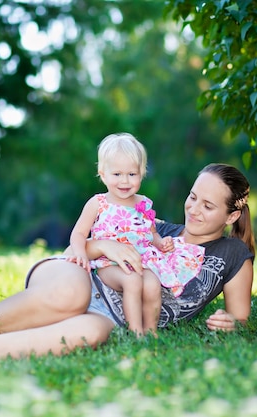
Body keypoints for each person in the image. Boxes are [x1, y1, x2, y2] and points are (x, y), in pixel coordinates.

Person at [0, 162, 255, 359]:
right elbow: (77, 248)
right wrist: (103, 245)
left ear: (232, 214)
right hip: (77, 276)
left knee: (90, 333)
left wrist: (231, 323)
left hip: (112, 317)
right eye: (193, 197)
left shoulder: (233, 255)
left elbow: (240, 317)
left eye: (208, 206)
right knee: (72, 295)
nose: (194, 210)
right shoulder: (153, 228)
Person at [68, 133, 205, 336]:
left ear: (141, 174)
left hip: (142, 261)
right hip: (109, 263)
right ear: (103, 174)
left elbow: (150, 233)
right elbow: (79, 233)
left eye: (132, 174)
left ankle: (151, 331)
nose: (125, 181)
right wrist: (80, 252)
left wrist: (160, 243)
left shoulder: (143, 203)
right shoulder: (98, 203)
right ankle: (136, 332)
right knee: (132, 280)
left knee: (151, 284)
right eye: (117, 174)